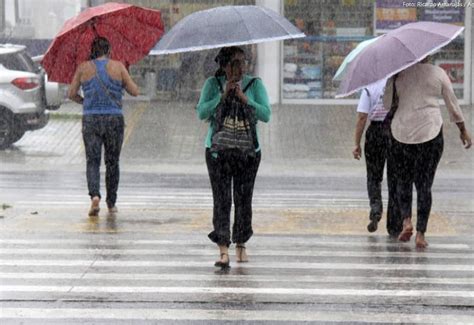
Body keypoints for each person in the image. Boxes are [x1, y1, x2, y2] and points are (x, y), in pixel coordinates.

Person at [383, 57, 472, 248]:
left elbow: (386, 104)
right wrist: (462, 129)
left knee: (403, 180)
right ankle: (421, 234)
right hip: (430, 132)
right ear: (429, 55)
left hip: (402, 132)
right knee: (424, 185)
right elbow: (452, 103)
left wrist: (393, 79)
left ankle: (406, 221)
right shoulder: (438, 73)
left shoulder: (400, 74)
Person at [196, 46, 271, 267]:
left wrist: (245, 99)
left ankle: (240, 243)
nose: (241, 67)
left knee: (243, 198)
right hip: (218, 151)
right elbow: (202, 112)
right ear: (224, 66)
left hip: (248, 152)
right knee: (221, 200)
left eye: (243, 62)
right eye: (235, 63)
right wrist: (221, 96)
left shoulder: (254, 85)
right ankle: (222, 249)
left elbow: (266, 114)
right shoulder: (212, 84)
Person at [68, 37, 139, 216]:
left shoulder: (83, 68)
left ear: (93, 50)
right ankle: (111, 202)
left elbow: (71, 93)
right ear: (109, 50)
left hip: (91, 119)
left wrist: (85, 102)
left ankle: (94, 196)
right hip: (114, 119)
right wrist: (124, 77)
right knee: (112, 162)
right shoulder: (118, 66)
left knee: (92, 161)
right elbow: (135, 91)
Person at [352, 78, 401, 236]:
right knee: (395, 178)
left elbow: (361, 117)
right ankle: (394, 224)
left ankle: (375, 209)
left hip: (375, 133)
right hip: (395, 131)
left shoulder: (369, 86)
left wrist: (356, 143)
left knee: (374, 176)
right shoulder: (398, 83)